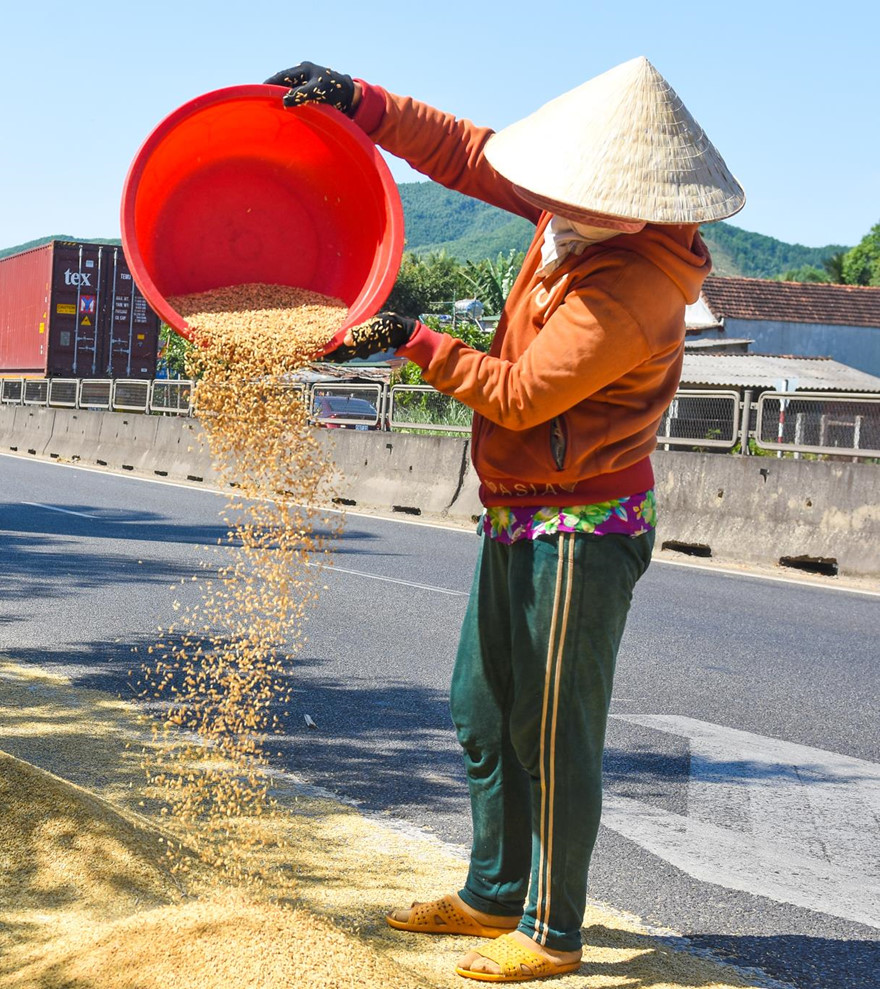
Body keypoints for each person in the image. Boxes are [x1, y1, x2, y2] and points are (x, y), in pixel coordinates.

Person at [265, 57, 743, 982]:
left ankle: (553, 929)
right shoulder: (572, 215)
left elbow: (519, 396)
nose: (548, 193)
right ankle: (493, 891)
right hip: (517, 512)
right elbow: (466, 152)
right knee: (480, 707)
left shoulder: (635, 284)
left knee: (553, 727)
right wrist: (361, 102)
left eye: (572, 185)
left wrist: (413, 340)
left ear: (629, 196)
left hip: (584, 527)